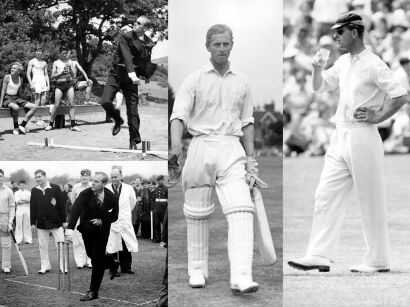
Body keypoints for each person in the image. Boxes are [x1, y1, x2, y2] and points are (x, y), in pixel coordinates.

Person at [288, 12, 409, 274]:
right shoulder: (343, 62)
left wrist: (379, 115)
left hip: (363, 135)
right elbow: (320, 88)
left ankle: (378, 261)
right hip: (339, 135)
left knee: (370, 199)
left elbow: (400, 95)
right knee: (325, 194)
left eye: (339, 32)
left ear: (354, 32)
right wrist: (317, 69)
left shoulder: (374, 63)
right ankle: (319, 254)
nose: (335, 37)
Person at [169, 24, 259, 292]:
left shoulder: (242, 81)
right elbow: (179, 116)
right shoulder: (194, 79)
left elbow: (248, 121)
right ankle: (197, 270)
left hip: (232, 148)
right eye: (216, 44)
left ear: (232, 45)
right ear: (207, 46)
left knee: (242, 209)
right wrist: (176, 149)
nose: (221, 48)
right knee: (197, 214)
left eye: (226, 44)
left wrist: (251, 159)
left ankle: (241, 276)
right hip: (200, 146)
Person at [99, 15, 157, 150]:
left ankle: (133, 141)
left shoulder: (149, 41)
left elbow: (146, 59)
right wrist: (132, 74)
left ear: (146, 27)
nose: (134, 24)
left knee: (133, 110)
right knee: (104, 101)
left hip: (133, 77)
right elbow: (126, 57)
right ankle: (117, 119)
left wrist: (147, 75)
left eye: (138, 23)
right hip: (117, 73)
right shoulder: (126, 36)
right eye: (135, 22)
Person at [65, 172, 119, 301]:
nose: (92, 183)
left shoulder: (111, 197)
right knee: (91, 254)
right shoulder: (85, 193)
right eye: (93, 180)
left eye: (96, 181)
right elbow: (76, 210)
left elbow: (115, 216)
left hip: (102, 231)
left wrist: (102, 220)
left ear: (104, 184)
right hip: (87, 229)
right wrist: (69, 230)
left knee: (97, 260)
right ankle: (112, 261)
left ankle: (93, 291)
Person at [30, 170, 67, 274]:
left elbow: (61, 206)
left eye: (39, 177)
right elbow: (33, 207)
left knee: (60, 244)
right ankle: (45, 266)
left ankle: (63, 266)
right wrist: (32, 223)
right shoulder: (34, 190)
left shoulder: (55, 188)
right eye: (36, 177)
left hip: (56, 221)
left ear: (45, 176)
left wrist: (64, 221)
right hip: (41, 222)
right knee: (42, 246)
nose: (37, 179)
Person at [106, 167, 138, 275]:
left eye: (115, 177)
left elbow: (132, 202)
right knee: (112, 246)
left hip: (124, 220)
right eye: (112, 177)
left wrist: (125, 213)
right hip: (111, 221)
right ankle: (113, 269)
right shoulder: (106, 188)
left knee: (125, 244)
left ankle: (126, 267)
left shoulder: (129, 188)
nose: (113, 179)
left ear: (121, 176)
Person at [45, 47, 81, 132]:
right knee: (56, 104)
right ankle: (50, 124)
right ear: (60, 54)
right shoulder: (56, 62)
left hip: (69, 83)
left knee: (71, 104)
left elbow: (74, 75)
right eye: (63, 53)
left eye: (66, 53)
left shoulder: (70, 62)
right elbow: (52, 76)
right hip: (59, 84)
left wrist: (71, 69)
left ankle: (73, 125)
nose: (65, 55)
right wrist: (61, 73)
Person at [0, 62, 39, 135]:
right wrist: (0, 103)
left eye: (14, 68)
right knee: (16, 107)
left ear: (18, 71)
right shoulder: (7, 77)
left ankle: (22, 125)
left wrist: (24, 101)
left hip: (16, 98)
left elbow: (20, 92)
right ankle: (15, 127)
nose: (12, 69)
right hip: (7, 98)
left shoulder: (20, 79)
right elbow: (3, 90)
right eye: (12, 68)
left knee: (34, 106)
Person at [70, 169, 93, 269]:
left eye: (86, 175)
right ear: (80, 176)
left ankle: (90, 260)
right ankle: (80, 261)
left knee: (89, 238)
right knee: (77, 239)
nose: (84, 177)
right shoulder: (76, 187)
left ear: (89, 177)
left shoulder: (93, 186)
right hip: (78, 216)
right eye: (83, 175)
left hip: (90, 216)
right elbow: (73, 202)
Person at [26, 47, 50, 127]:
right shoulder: (32, 61)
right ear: (35, 52)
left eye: (40, 51)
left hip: (43, 81)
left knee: (43, 100)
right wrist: (31, 83)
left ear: (42, 52)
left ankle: (41, 118)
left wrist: (48, 84)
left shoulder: (44, 63)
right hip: (35, 81)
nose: (38, 52)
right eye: (37, 51)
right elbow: (28, 73)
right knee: (37, 100)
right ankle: (37, 119)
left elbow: (46, 74)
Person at [0, 169, 15, 273]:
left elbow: (12, 207)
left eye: (0, 176)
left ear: (3, 177)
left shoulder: (8, 190)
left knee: (6, 244)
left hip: (4, 218)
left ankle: (6, 265)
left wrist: (10, 222)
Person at [14, 180, 32, 244]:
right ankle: (18, 240)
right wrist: (26, 201)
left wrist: (22, 199)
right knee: (19, 224)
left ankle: (28, 239)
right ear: (19, 186)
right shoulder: (16, 193)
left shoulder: (29, 192)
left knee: (27, 224)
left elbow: (30, 200)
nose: (22, 186)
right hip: (19, 209)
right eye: (21, 185)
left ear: (25, 185)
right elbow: (18, 202)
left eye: (23, 185)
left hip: (27, 209)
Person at [152, 175, 167, 243]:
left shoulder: (166, 189)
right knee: (156, 224)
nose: (160, 181)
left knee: (164, 225)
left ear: (163, 180)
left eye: (161, 180)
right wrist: (153, 209)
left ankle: (164, 239)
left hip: (164, 209)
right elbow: (153, 199)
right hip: (156, 209)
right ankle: (157, 239)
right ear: (157, 181)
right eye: (159, 180)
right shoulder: (155, 189)